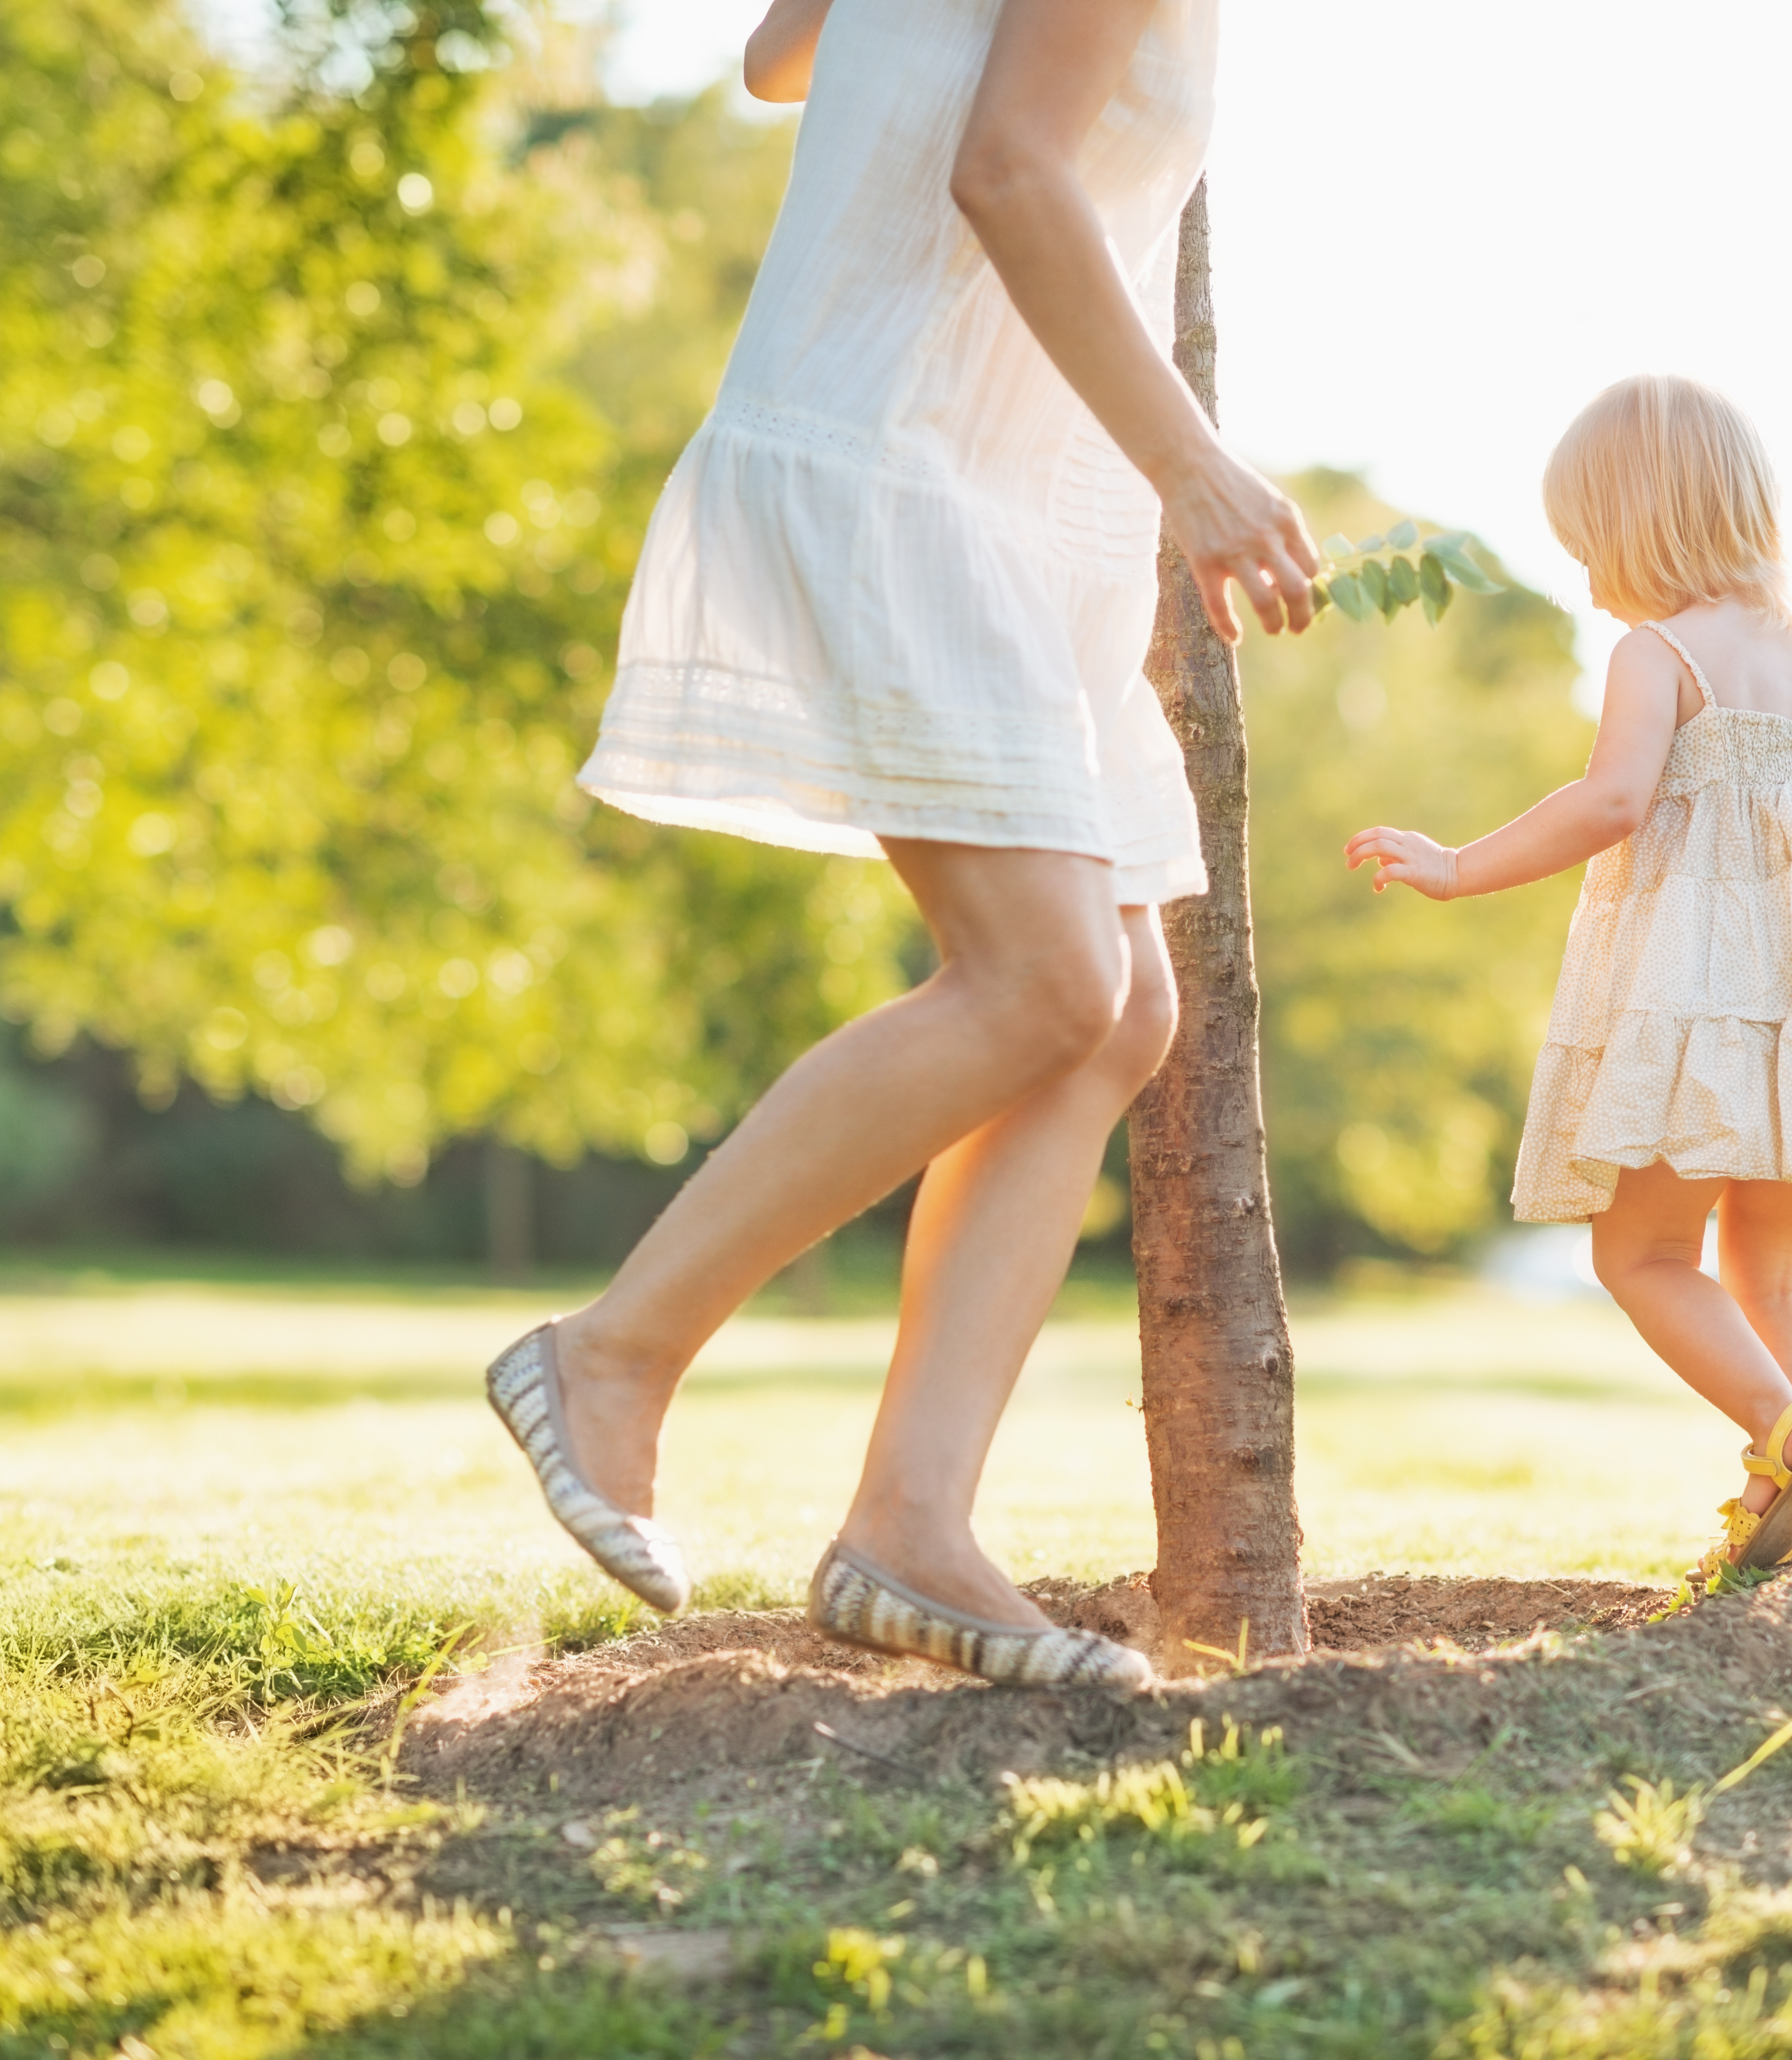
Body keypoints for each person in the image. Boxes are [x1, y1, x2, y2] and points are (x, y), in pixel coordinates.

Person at [484, 0, 1319, 1688]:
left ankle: (907, 1528)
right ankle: (610, 1356)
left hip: (1012, 502)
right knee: (1036, 978)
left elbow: (782, 53)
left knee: (1121, 1003)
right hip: (908, 462)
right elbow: (1005, 168)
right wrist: (1197, 469)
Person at [1345, 375, 1792, 1575]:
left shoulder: (1659, 655)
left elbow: (1613, 800)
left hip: (1698, 1010)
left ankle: (1785, 1433)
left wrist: (1460, 864)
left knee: (1640, 1259)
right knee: (1776, 1276)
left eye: (1590, 549)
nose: (1590, 582)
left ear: (1643, 528)